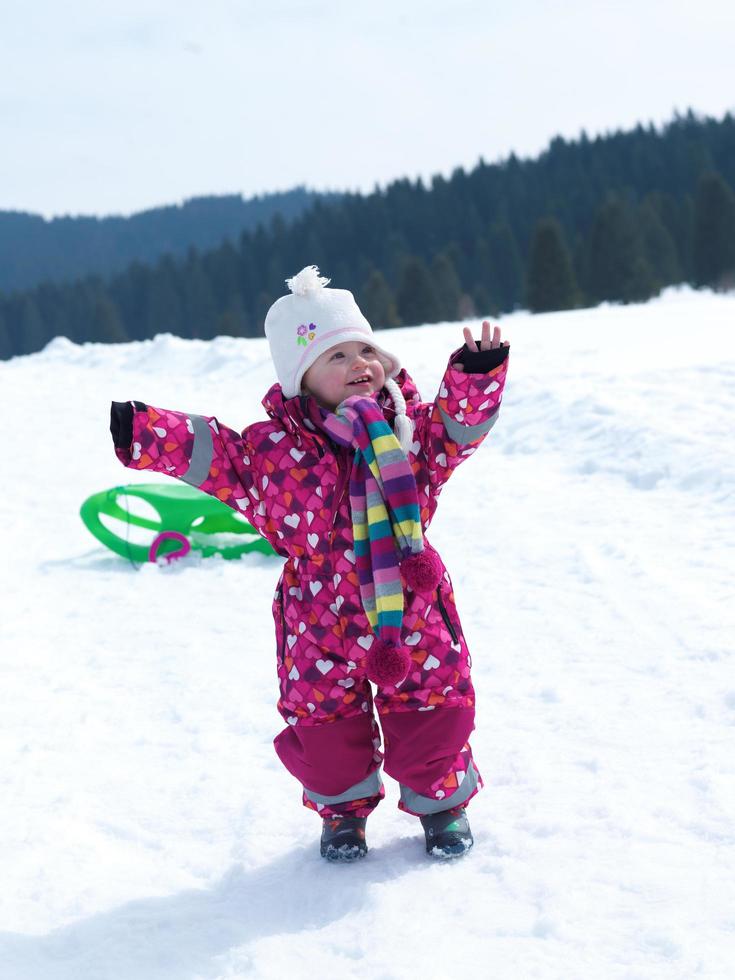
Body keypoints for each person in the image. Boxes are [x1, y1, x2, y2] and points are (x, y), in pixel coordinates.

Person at [109, 265, 510, 861]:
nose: (359, 365)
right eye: (336, 356)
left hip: (413, 605)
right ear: (302, 380)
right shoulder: (273, 453)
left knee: (430, 704)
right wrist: (144, 430)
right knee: (324, 723)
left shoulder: (409, 430)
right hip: (318, 620)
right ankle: (342, 813)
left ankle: (441, 805)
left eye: (365, 350)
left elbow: (459, 427)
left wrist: (476, 378)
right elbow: (215, 456)